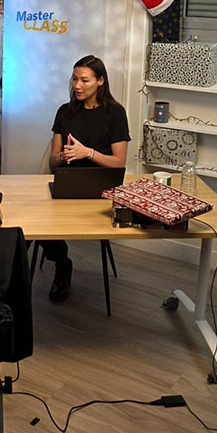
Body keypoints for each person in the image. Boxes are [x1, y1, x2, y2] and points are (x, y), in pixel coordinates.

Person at [42, 55, 130, 302]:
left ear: (100, 81)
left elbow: (118, 162)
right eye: (74, 79)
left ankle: (60, 266)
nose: (77, 86)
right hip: (67, 184)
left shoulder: (115, 113)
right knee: (37, 223)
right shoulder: (65, 112)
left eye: (84, 80)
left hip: (102, 190)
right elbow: (53, 160)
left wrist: (87, 153)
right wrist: (64, 157)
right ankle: (62, 263)